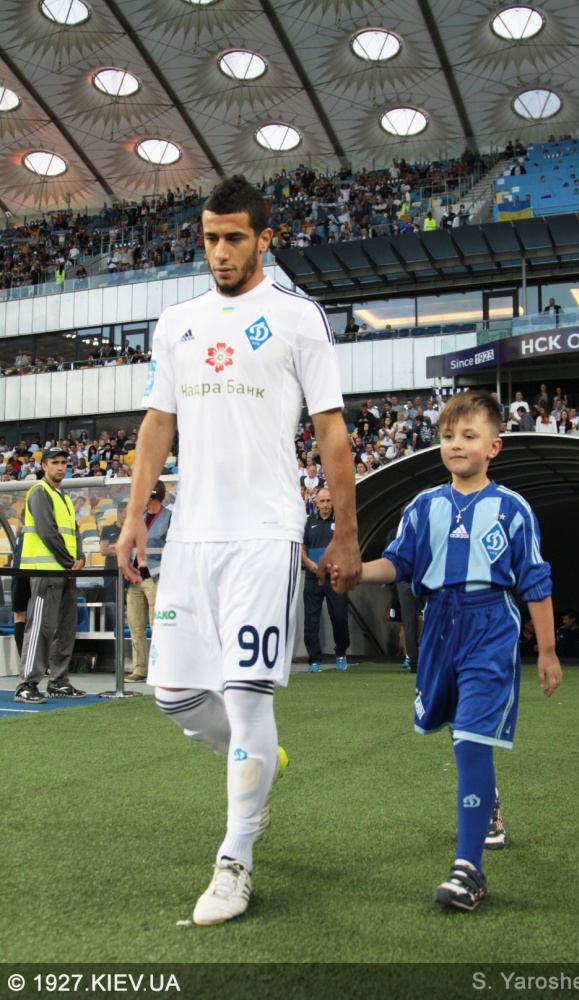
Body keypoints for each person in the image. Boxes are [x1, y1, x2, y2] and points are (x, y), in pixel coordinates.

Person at [116, 174, 360, 926]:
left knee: (248, 693)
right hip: (191, 535)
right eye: (209, 239)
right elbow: (158, 424)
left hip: (264, 531)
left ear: (263, 239)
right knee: (176, 696)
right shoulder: (176, 322)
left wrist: (346, 531)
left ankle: (236, 859)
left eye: (232, 238)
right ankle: (258, 758)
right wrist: (135, 515)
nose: (219, 252)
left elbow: (330, 429)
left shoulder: (297, 317)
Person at [331, 391, 561, 912]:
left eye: (469, 435)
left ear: (494, 446)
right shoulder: (424, 506)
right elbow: (399, 563)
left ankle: (468, 869)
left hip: (490, 625)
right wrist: (357, 573)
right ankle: (489, 805)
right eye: (448, 435)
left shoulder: (512, 508)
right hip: (437, 623)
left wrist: (547, 651)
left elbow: (536, 582)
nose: (456, 444)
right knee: (459, 728)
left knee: (472, 740)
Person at [13, 447, 87, 703]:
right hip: (46, 572)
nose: (60, 466)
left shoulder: (63, 497)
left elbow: (73, 532)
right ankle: (26, 684)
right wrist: (70, 561)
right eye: (55, 462)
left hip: (65, 573)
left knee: (65, 629)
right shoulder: (40, 491)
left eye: (64, 462)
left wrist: (80, 557)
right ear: (44, 466)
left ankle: (58, 681)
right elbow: (47, 531)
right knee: (41, 628)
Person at [124, 481, 172, 683]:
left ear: (152, 496)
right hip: (135, 578)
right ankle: (140, 669)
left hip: (156, 577)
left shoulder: (170, 517)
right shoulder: (138, 517)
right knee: (135, 627)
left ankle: (163, 668)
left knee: (158, 625)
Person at [301, 488, 350, 673]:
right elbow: (301, 547)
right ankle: (314, 659)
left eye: (329, 501)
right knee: (311, 620)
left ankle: (341, 652)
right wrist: (308, 563)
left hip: (335, 577)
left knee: (340, 617)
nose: (325, 505)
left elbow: (348, 547)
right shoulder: (308, 523)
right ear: (316, 503)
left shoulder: (341, 522)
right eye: (322, 501)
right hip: (313, 577)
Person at [99, 497, 128, 605]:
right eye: (126, 514)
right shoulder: (107, 529)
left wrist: (114, 547)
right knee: (111, 602)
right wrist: (123, 549)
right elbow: (103, 550)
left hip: (128, 570)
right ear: (119, 513)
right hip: (111, 570)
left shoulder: (131, 530)